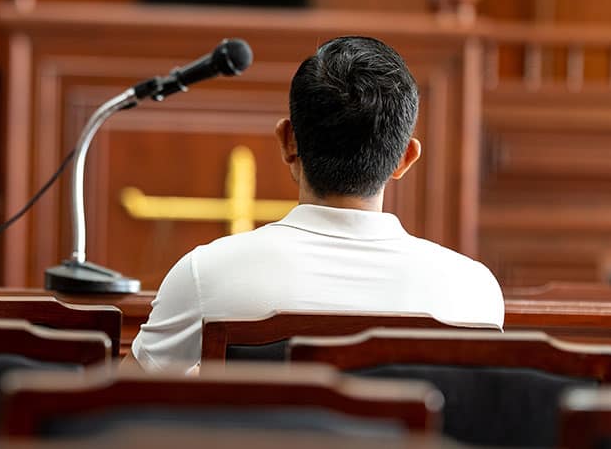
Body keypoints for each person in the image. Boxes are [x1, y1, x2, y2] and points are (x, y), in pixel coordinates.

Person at [130, 36, 504, 372]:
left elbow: (121, 399)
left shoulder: (205, 274)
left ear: (288, 140)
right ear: (405, 158)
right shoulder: (473, 291)